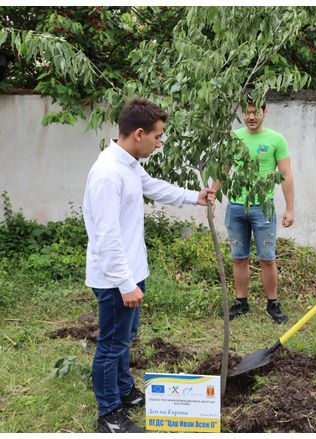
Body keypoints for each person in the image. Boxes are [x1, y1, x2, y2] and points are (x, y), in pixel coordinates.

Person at [83, 99, 215, 433]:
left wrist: (192, 196)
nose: (160, 143)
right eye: (157, 137)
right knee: (111, 344)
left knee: (126, 338)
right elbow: (106, 235)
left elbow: (152, 187)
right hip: (116, 278)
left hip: (131, 272)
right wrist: (126, 284)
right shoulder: (107, 174)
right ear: (139, 133)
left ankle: (124, 389)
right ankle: (109, 413)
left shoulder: (128, 164)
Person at [211, 100, 294, 324]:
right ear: (241, 113)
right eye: (247, 113)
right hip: (236, 207)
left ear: (265, 111)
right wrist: (212, 194)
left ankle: (273, 304)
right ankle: (241, 303)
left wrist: (289, 208)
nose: (251, 117)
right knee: (239, 257)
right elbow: (223, 170)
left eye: (256, 112)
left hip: (263, 208)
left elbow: (286, 174)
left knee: (267, 258)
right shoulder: (234, 138)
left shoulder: (276, 140)